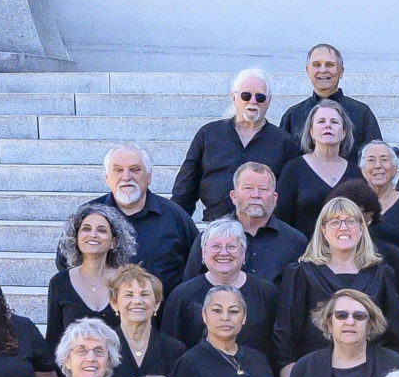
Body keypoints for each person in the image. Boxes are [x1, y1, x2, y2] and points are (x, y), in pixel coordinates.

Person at [277, 196, 399, 362]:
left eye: (350, 221)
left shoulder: (382, 274)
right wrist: (290, 373)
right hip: (316, 369)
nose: (343, 227)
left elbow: (396, 334)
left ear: (362, 228)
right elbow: (286, 333)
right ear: (323, 230)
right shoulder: (301, 273)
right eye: (334, 222)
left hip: (372, 370)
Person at [171, 70, 301, 219]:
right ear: (234, 97)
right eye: (246, 95)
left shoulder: (284, 142)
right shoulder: (209, 134)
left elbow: (293, 195)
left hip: (264, 229)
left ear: (269, 101)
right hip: (217, 228)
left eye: (260, 97)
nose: (253, 101)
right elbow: (184, 189)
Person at [160, 222, 279, 363]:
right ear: (203, 253)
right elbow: (170, 349)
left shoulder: (267, 293)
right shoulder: (183, 296)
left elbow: (278, 346)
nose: (223, 252)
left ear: (244, 252)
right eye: (215, 246)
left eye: (231, 247)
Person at [96, 145, 197, 299]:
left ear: (149, 177)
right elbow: (68, 262)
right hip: (104, 316)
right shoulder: (90, 216)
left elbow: (197, 263)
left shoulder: (175, 217)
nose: (126, 177)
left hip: (164, 317)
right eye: (118, 170)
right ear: (106, 178)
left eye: (135, 169)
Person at [204, 160, 310, 288]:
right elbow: (192, 288)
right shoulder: (211, 238)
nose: (256, 195)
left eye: (263, 189)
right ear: (234, 196)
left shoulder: (295, 242)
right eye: (248, 188)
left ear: (275, 198)